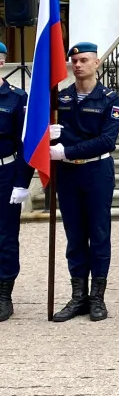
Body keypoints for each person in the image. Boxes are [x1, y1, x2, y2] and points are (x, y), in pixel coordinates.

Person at [50, 42, 119, 323]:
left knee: (99, 233)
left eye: (83, 60)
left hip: (97, 171)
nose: (78, 65)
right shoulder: (62, 98)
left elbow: (107, 140)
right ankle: (78, 296)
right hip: (68, 174)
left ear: (97, 62)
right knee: (75, 235)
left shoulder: (109, 98)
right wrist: (48, 134)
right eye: (74, 61)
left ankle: (97, 298)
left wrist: (67, 150)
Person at [0, 43, 33, 322]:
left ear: (2, 62)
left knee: (5, 235)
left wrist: (22, 182)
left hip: (5, 172)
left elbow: (26, 144)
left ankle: (4, 294)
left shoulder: (15, 98)